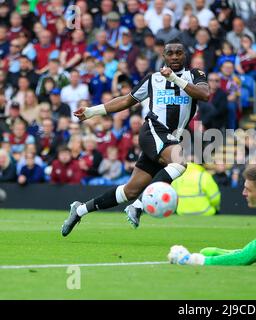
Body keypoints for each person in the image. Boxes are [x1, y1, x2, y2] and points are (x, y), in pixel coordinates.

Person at [61, 38, 209, 236]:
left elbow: (204, 94)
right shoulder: (152, 79)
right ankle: (139, 206)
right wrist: (91, 112)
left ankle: (79, 210)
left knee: (129, 191)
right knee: (179, 162)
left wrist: (174, 78)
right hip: (153, 131)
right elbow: (126, 100)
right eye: (170, 53)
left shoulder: (195, 75)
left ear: (185, 55)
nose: (174, 56)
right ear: (163, 56)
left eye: (178, 53)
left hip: (169, 140)